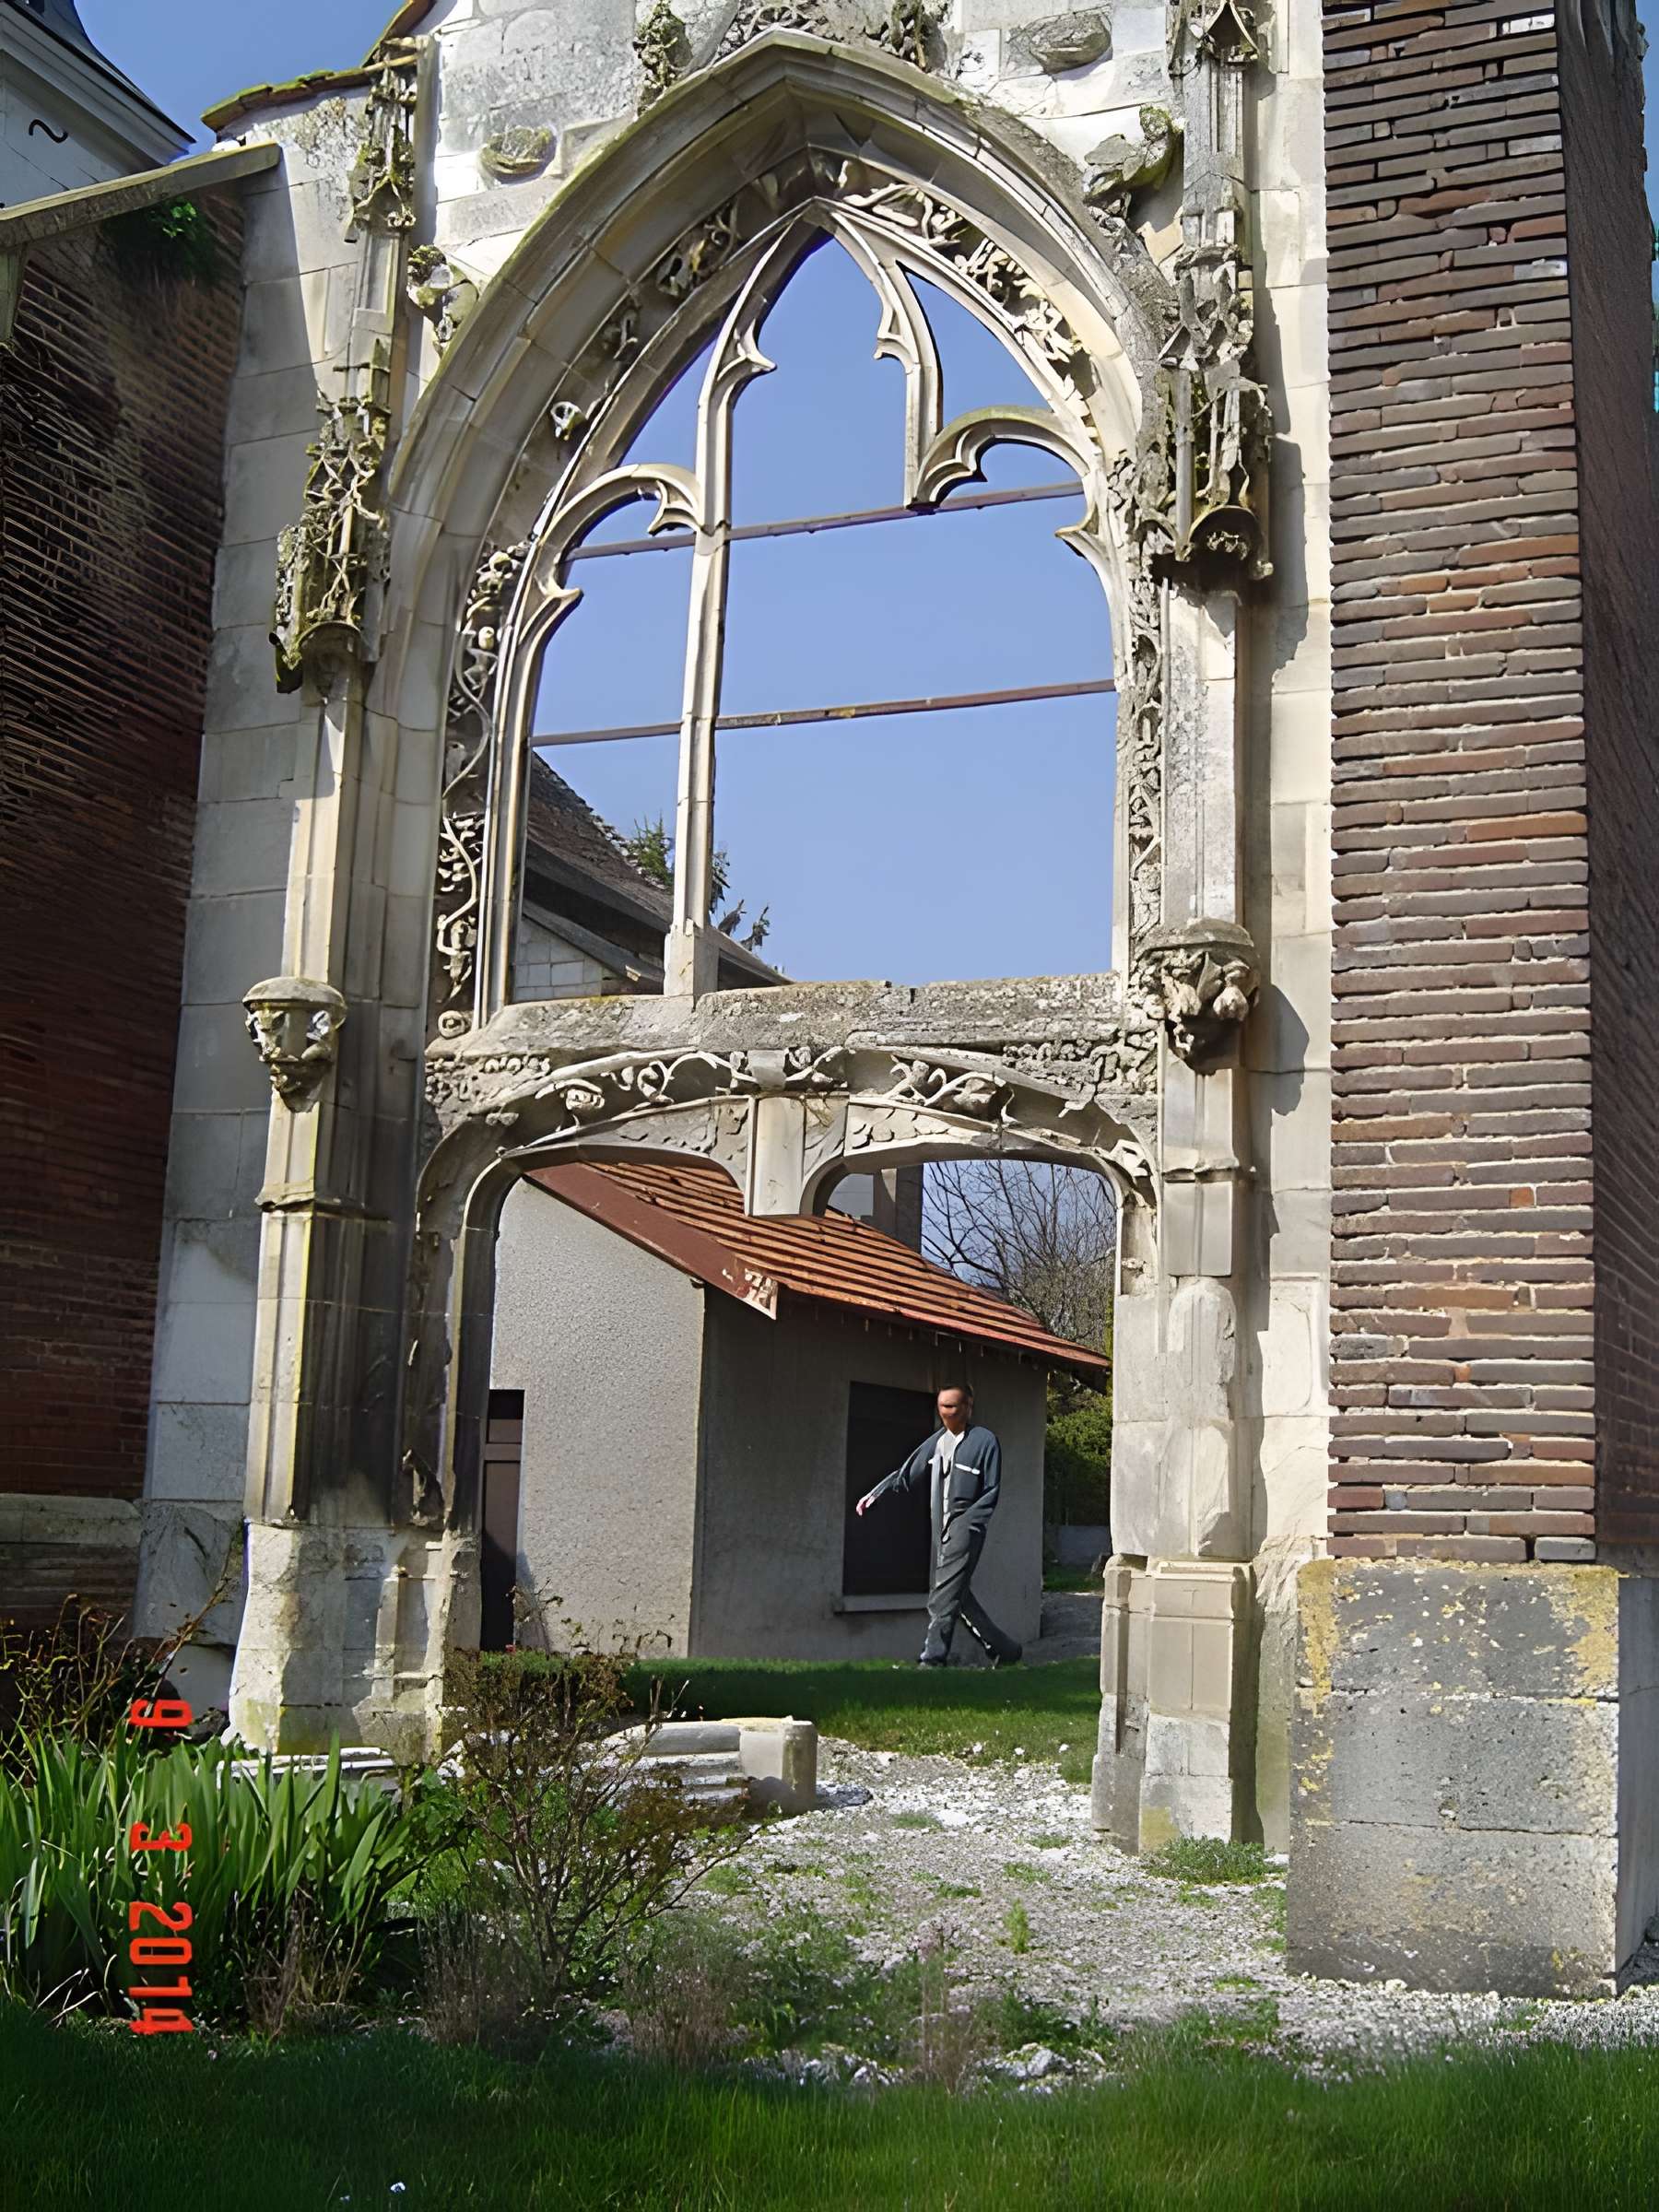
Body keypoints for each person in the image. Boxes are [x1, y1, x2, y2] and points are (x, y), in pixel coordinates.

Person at [855, 1383, 1023, 1668]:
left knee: (942, 1596)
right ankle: (1006, 1650)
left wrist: (968, 1524)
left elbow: (990, 1492)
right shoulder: (937, 1443)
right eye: (942, 1405)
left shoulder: (984, 1442)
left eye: (952, 1406)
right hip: (941, 1531)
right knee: (958, 1596)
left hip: (965, 1530)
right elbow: (907, 1473)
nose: (945, 1411)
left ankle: (932, 1660)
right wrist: (876, 1493)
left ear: (968, 1408)